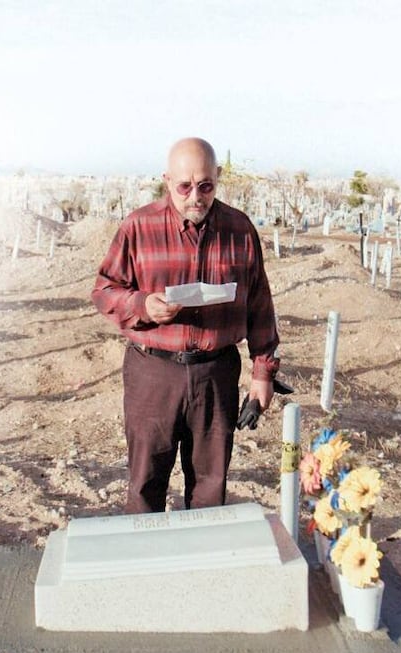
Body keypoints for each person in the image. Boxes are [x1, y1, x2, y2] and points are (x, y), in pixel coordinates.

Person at [91, 137, 281, 514]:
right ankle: (146, 565)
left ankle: (199, 568)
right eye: (185, 186)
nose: (196, 196)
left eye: (206, 186)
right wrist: (142, 304)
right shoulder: (138, 227)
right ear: (167, 181)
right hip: (153, 373)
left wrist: (263, 374)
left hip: (215, 374)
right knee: (146, 482)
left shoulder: (239, 230)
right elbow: (104, 290)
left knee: (210, 489)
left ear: (218, 178)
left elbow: (259, 303)